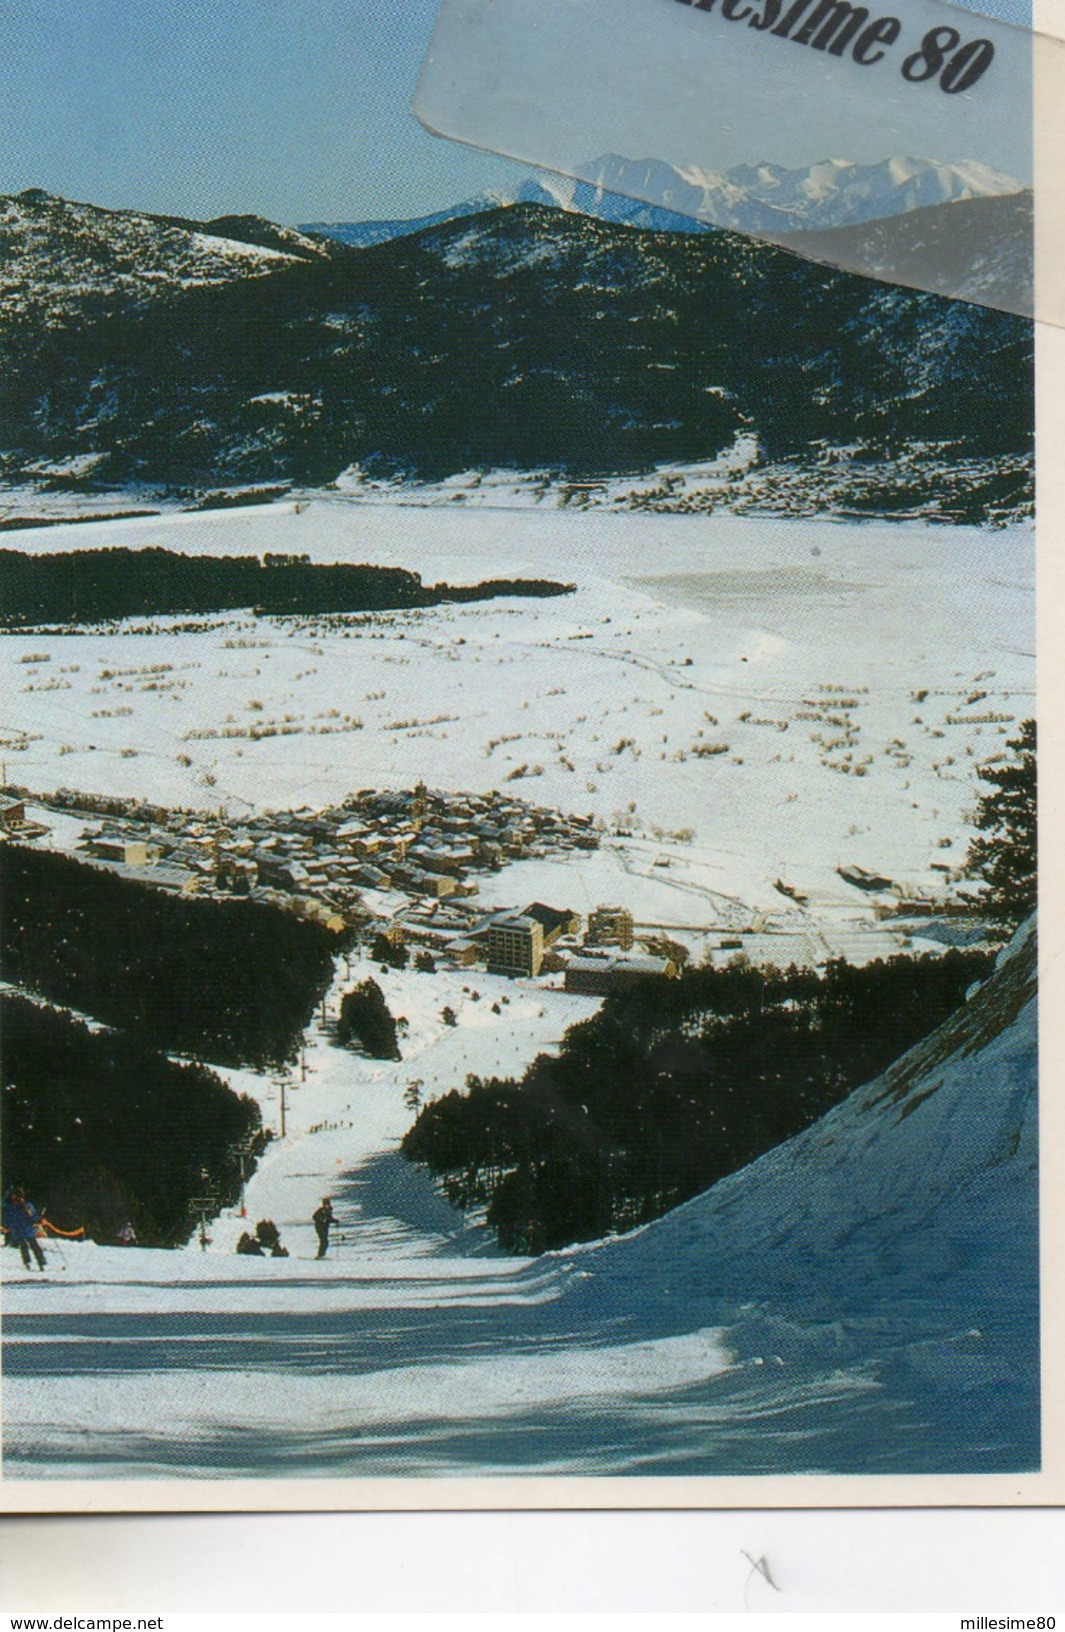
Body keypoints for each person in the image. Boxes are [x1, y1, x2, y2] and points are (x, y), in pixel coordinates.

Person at [2, 1186, 47, 1271]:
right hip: (21, 1230)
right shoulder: (15, 1207)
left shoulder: (25, 1206)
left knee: (30, 1246)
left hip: (23, 1230)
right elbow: (8, 1218)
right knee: (27, 1246)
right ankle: (34, 1262)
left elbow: (32, 1217)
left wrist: (37, 1219)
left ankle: (37, 1263)